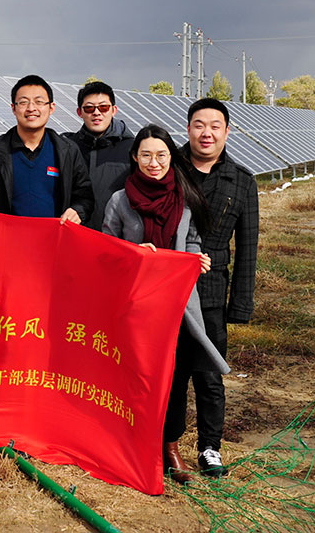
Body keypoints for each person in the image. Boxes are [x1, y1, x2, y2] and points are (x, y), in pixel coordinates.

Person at [102, 124, 230, 485]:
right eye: (146, 155)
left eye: (161, 155)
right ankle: (135, 443)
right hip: (137, 306)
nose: (154, 162)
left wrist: (195, 259)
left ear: (171, 157)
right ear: (134, 157)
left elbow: (192, 241)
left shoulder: (185, 198)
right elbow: (107, 248)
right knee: (137, 376)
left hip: (178, 306)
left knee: (175, 377)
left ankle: (170, 447)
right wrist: (134, 253)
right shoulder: (120, 201)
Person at [179, 98, 259, 477]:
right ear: (188, 129)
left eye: (215, 126)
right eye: (199, 125)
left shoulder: (241, 180)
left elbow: (247, 246)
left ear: (227, 131)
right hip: (167, 289)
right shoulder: (169, 168)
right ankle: (164, 442)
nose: (206, 133)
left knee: (209, 375)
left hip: (211, 292)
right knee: (169, 374)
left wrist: (240, 304)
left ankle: (210, 447)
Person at [0, 75, 94, 224]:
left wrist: (77, 210)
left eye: (39, 102)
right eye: (23, 102)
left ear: (51, 108)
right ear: (13, 108)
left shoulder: (67, 151)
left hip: (54, 237)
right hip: (6, 236)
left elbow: (85, 196)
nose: (31, 108)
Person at [64, 81, 135, 231]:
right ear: (79, 112)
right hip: (74, 235)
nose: (96, 112)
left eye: (103, 107)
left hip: (116, 238)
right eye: (89, 108)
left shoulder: (133, 149)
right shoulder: (67, 147)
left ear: (113, 110)